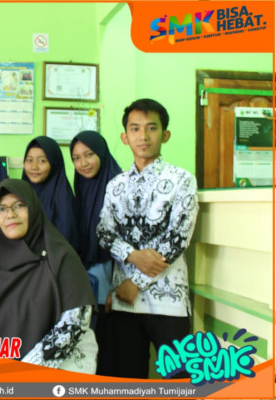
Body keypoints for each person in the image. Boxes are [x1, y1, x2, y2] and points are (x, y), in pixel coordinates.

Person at [97, 98, 199, 379]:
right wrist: (132, 255)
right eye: (135, 128)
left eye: (151, 128)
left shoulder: (182, 180)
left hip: (169, 302)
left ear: (165, 134)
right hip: (125, 303)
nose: (143, 136)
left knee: (179, 381)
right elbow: (104, 233)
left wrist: (135, 282)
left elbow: (177, 239)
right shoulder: (115, 185)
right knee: (129, 380)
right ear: (125, 137)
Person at [0, 179, 97, 373]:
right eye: (1, 209)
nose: (10, 214)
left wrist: (26, 370)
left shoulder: (60, 256)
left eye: (19, 205)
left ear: (33, 208)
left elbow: (75, 321)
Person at [70, 130, 122, 376]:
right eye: (76, 158)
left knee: (111, 351)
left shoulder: (119, 189)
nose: (83, 163)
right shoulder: (81, 190)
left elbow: (128, 242)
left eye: (89, 155)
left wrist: (116, 287)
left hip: (113, 287)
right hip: (89, 285)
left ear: (101, 153)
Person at [22, 136, 80, 253]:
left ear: (54, 164)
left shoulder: (64, 200)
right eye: (29, 160)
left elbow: (65, 243)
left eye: (42, 161)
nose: (34, 167)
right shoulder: (20, 194)